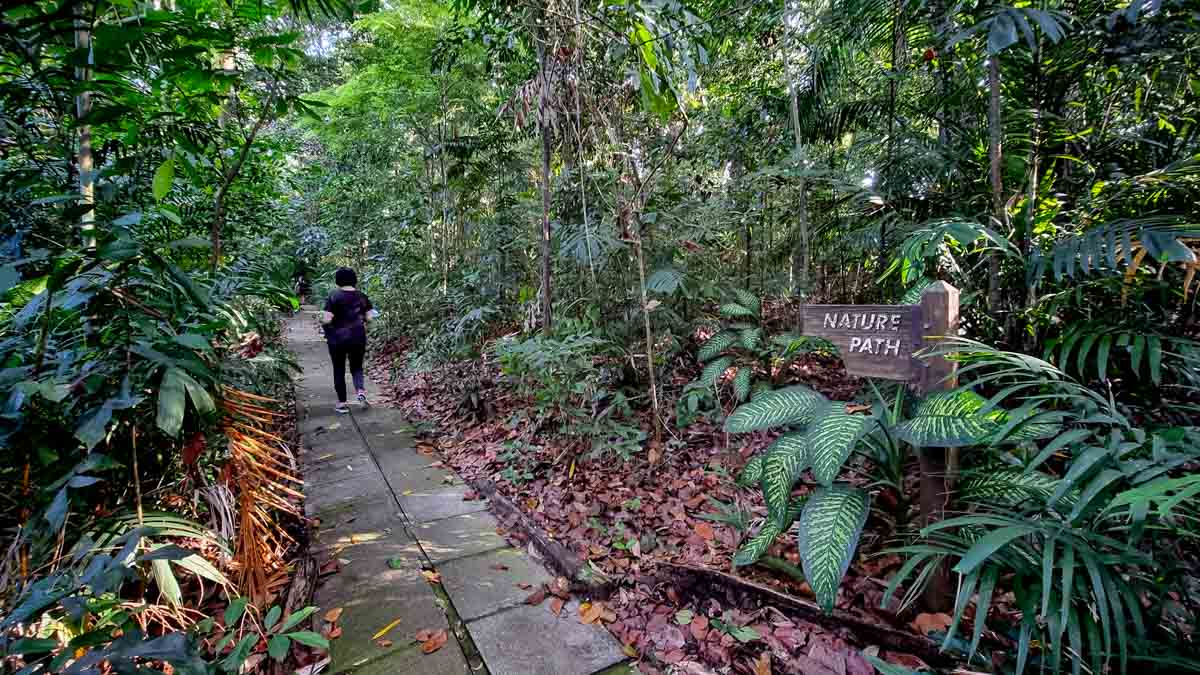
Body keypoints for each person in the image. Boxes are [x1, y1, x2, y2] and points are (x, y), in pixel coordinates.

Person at [320, 268, 377, 414]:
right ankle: (360, 392)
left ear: (338, 280)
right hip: (358, 338)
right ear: (354, 279)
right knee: (357, 367)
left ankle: (342, 403)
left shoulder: (334, 296)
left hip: (337, 339)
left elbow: (327, 319)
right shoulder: (362, 296)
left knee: (338, 369)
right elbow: (370, 318)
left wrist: (326, 324)